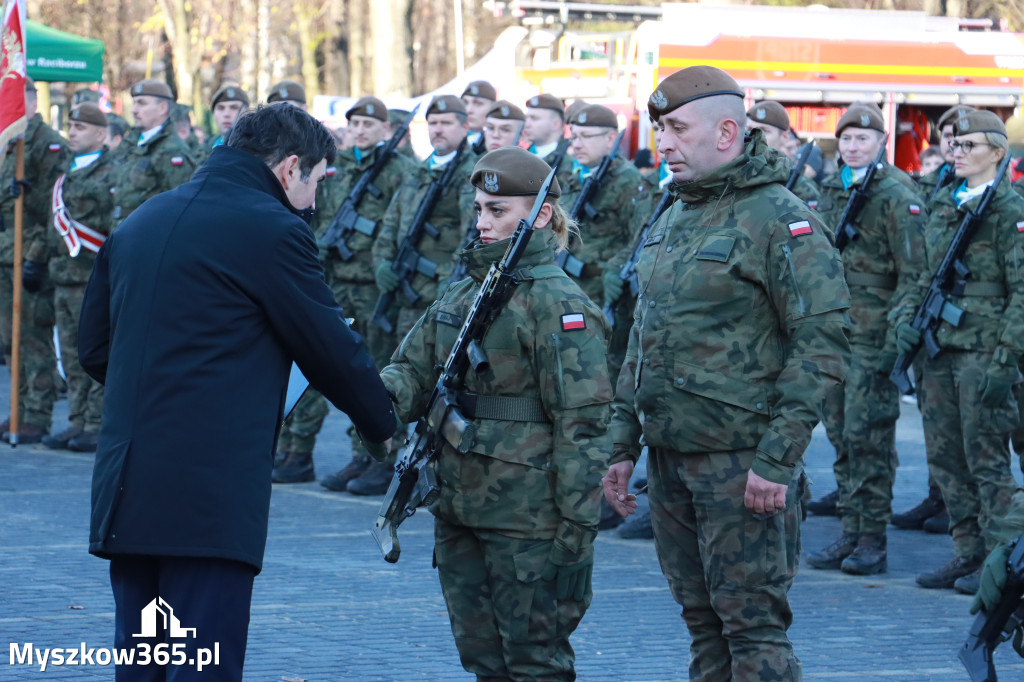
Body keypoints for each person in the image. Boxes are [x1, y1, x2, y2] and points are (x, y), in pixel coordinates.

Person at [78, 103, 397, 680]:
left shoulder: (143, 219)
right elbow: (331, 350)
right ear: (290, 167)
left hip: (127, 488)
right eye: (317, 182)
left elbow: (95, 349)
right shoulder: (272, 229)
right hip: (208, 494)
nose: (315, 203)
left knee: (143, 665)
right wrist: (383, 425)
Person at [603, 65, 850, 681]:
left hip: (741, 464)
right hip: (670, 460)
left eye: (679, 128)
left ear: (727, 132)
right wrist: (620, 444)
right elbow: (641, 339)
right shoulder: (673, 215)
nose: (665, 142)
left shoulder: (779, 218)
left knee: (753, 628)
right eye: (661, 129)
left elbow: (822, 342)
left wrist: (778, 458)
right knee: (702, 622)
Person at [380, 146, 612, 680]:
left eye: (498, 210)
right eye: (480, 208)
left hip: (528, 519)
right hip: (459, 508)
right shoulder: (464, 292)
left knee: (534, 662)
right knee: (483, 660)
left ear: (541, 215)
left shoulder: (559, 305)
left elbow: (584, 424)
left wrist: (577, 528)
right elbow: (410, 372)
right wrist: (368, 398)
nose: (482, 222)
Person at [894, 110, 1024, 592]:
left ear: (997, 151)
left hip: (984, 355)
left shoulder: (1012, 212)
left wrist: (1006, 360)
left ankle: (999, 563)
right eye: (955, 144)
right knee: (946, 460)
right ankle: (966, 552)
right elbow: (920, 275)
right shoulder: (943, 203)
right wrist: (904, 321)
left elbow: (1021, 294)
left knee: (986, 462)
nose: (958, 152)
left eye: (970, 145)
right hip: (938, 353)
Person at [806, 103, 928, 576]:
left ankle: (872, 538)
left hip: (873, 335)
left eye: (863, 138)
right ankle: (850, 529)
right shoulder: (831, 190)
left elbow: (915, 273)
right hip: (831, 331)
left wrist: (897, 334)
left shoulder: (897, 193)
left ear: (880, 142)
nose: (854, 147)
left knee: (869, 436)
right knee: (839, 434)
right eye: (847, 139)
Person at [272, 96, 415, 488]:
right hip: (334, 278)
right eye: (355, 124)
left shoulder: (401, 171)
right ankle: (320, 453)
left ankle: (379, 458)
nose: (361, 130)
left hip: (374, 286)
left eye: (370, 124)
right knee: (324, 368)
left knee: (376, 371)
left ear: (386, 130)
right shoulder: (338, 167)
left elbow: (399, 225)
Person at [368, 94, 479, 494]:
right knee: (402, 379)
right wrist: (382, 262)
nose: (438, 129)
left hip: (441, 300)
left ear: (465, 127)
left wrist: (449, 294)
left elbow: (472, 237)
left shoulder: (470, 174)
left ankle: (432, 466)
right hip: (406, 297)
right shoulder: (418, 172)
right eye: (433, 123)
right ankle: (386, 459)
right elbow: (391, 222)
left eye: (447, 122)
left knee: (439, 386)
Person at [41, 103, 118, 453]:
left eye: (81, 127)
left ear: (101, 134)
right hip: (63, 277)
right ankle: (76, 420)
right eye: (71, 126)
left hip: (92, 280)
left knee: (95, 351)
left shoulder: (112, 173)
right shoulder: (64, 174)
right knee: (70, 356)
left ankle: (96, 422)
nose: (72, 132)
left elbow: (113, 229)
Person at [0, 77, 68, 443]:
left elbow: (55, 208)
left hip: (32, 254)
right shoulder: (9, 144)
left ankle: (37, 415)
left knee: (33, 339)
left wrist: (38, 259)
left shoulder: (49, 145)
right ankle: (19, 411)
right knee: (10, 341)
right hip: (6, 253)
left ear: (29, 99)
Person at [560, 104, 644, 309]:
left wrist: (615, 269)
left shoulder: (629, 181)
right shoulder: (576, 179)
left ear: (610, 139)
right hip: (570, 287)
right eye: (574, 137)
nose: (576, 145)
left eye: (585, 137)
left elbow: (640, 238)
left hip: (605, 295)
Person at [109, 79, 195, 231]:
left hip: (148, 234)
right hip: (123, 232)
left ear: (162, 108)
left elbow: (181, 206)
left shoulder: (172, 149)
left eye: (142, 103)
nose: (134, 110)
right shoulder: (132, 142)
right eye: (134, 103)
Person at [745, 100, 821, 207]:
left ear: (785, 136)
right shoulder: (734, 176)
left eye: (764, 131)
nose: (754, 136)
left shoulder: (802, 189)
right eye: (749, 129)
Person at [523, 93, 571, 179]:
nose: (527, 124)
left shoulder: (571, 157)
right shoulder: (522, 155)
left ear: (556, 124)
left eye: (534, 118)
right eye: (526, 118)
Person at [208, 84, 250, 151]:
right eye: (221, 108)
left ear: (247, 112)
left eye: (234, 108)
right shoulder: (203, 150)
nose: (226, 114)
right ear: (213, 114)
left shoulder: (260, 148)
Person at [460, 80, 496, 154]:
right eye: (465, 102)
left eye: (478, 104)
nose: (469, 110)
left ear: (492, 108)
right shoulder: (452, 142)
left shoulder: (497, 145)